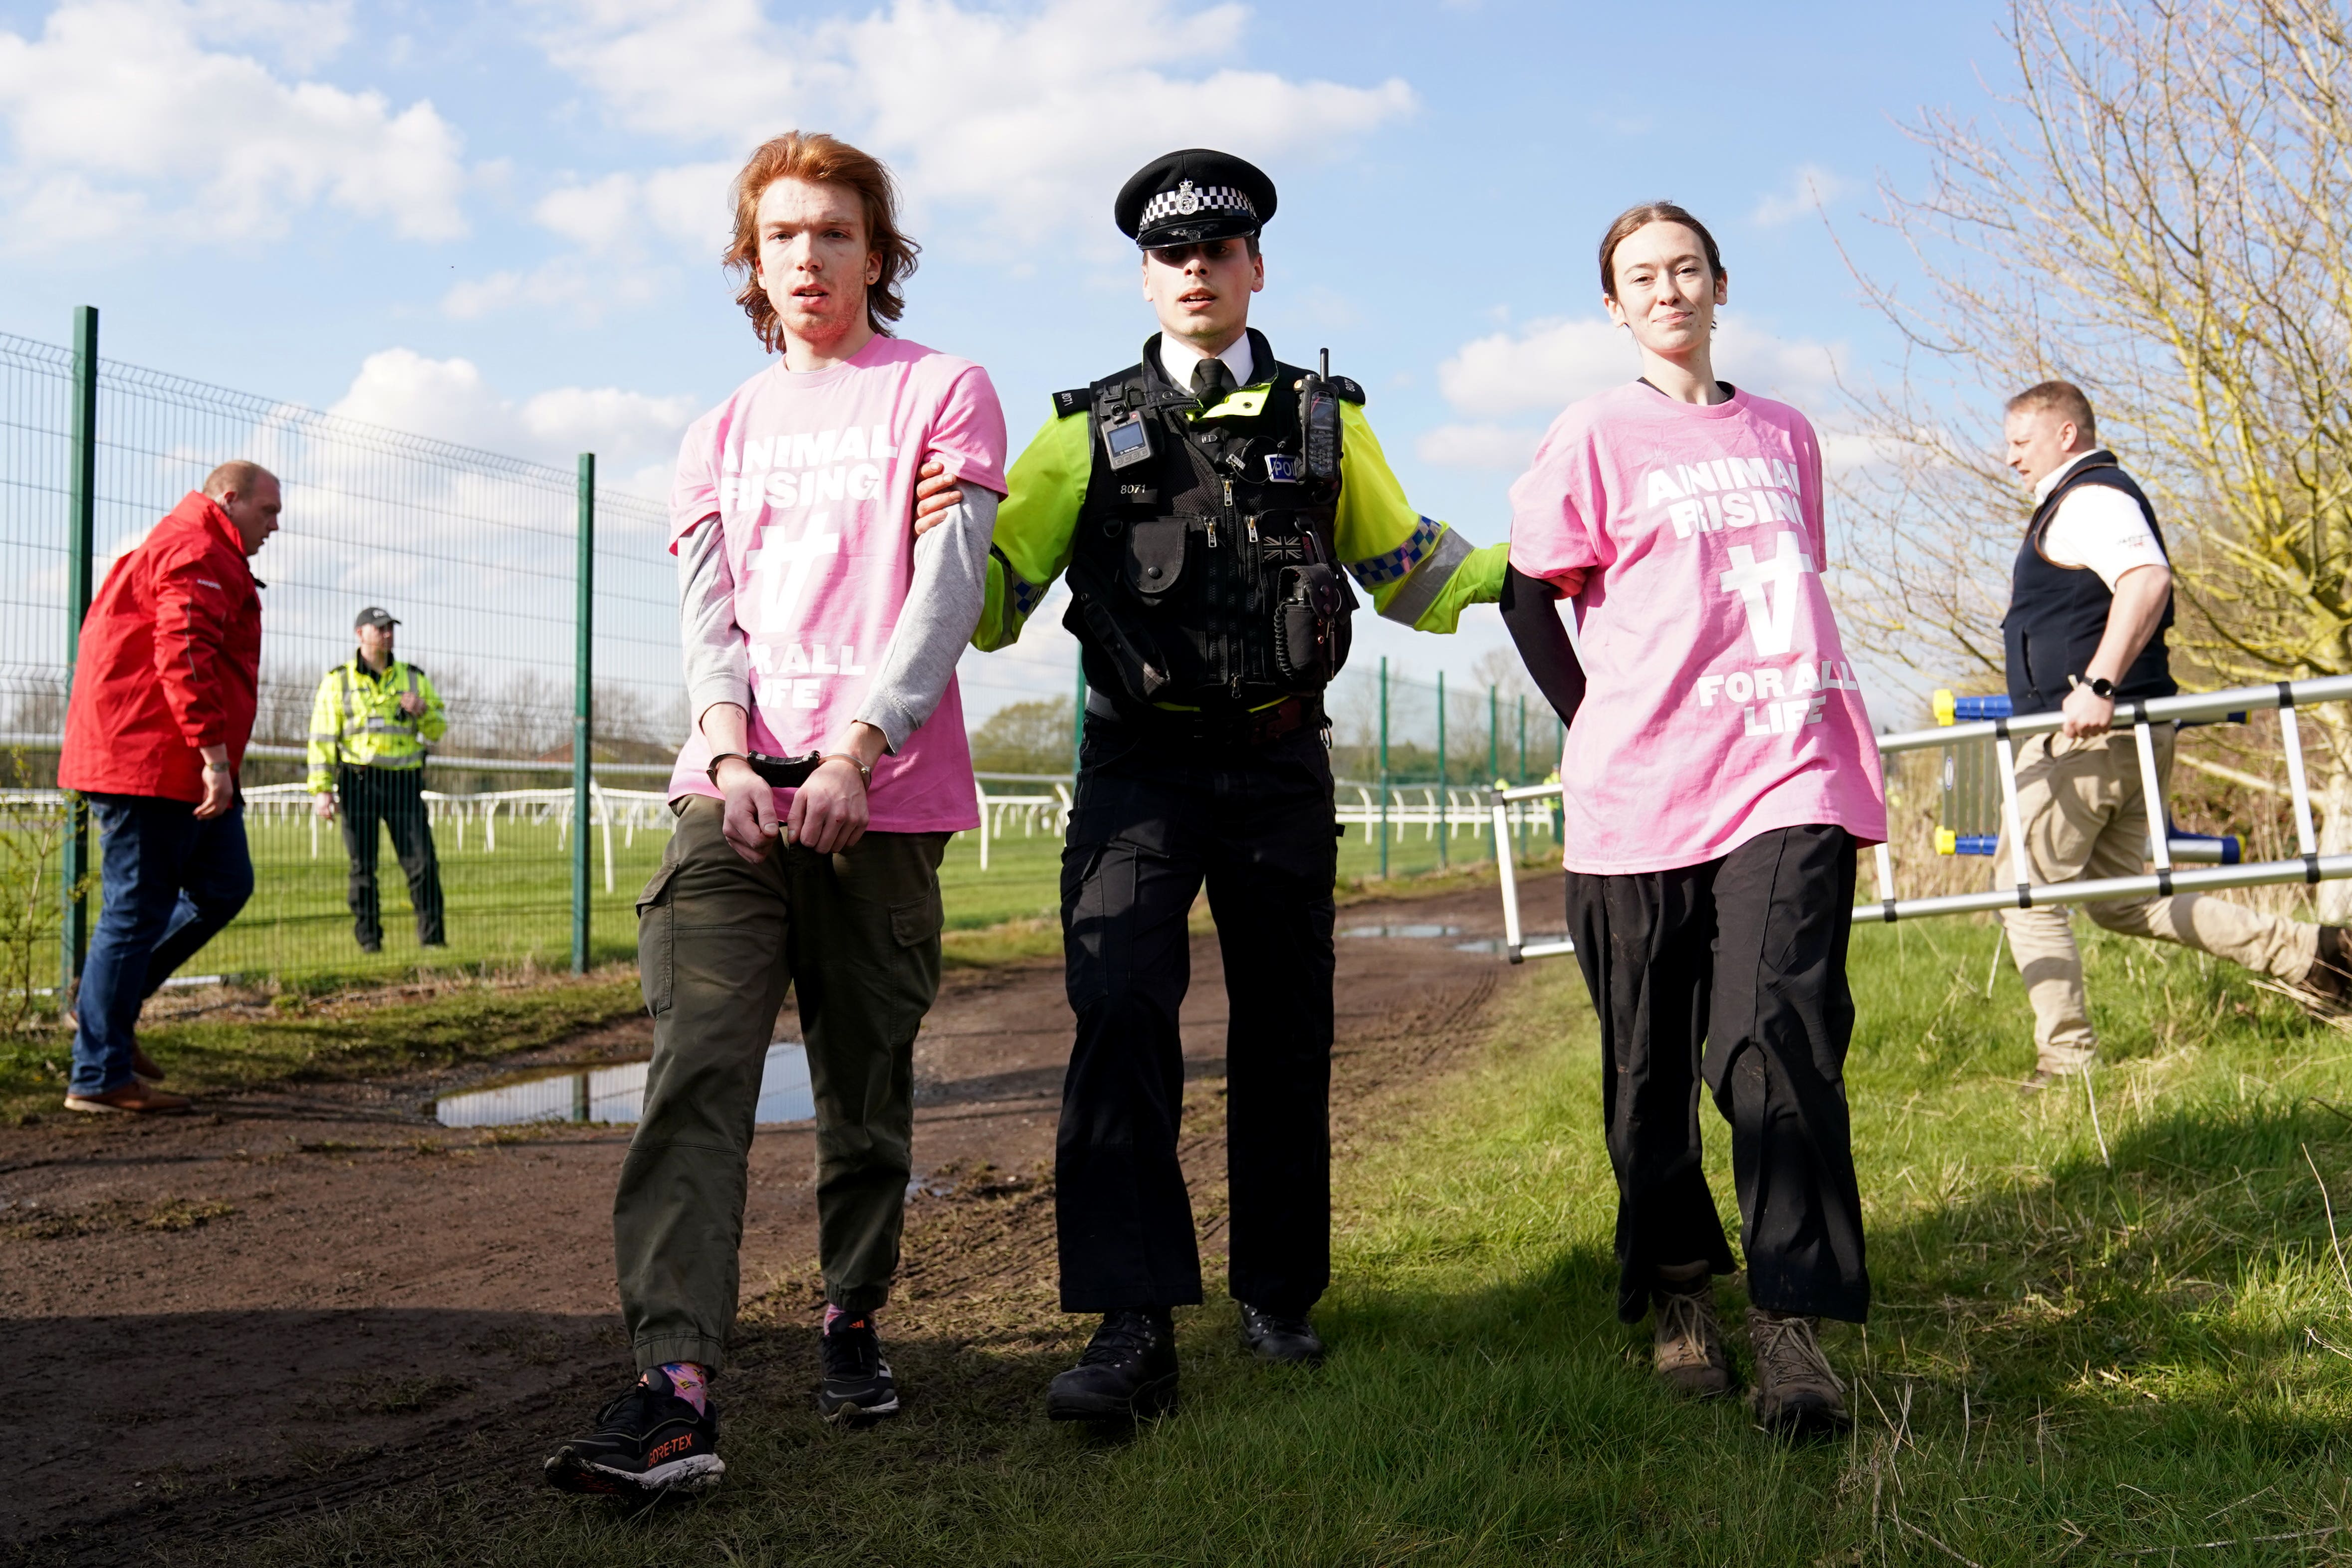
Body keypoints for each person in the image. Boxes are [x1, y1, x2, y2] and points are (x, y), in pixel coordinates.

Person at [923, 148, 1505, 1422]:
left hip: (1281, 766)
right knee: (1120, 1011)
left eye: (1217, 251)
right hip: (1140, 770)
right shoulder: (1079, 431)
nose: (1196, 271)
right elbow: (993, 600)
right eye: (1171, 255)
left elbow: (1401, 565)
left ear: (1254, 267)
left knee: (1286, 1031)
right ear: (1146, 274)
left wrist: (1527, 567)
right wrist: (931, 532)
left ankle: (1278, 1296)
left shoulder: (1326, 421)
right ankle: (1132, 1323)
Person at [542, 131, 1006, 1498]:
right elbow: (710, 619)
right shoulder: (715, 435)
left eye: (836, 233)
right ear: (749, 262)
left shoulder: (942, 393)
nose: (808, 257)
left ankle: (850, 1305)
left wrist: (859, 750)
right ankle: (673, 1381)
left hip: (885, 792)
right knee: (696, 1066)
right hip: (730, 793)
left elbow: (947, 586)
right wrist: (735, 757)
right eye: (783, 235)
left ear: (880, 253)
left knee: (866, 1080)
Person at [1501, 202, 1885, 1436]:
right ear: (1613, 308)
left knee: (1771, 1039)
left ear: (1719, 285)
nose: (1666, 290)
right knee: (1645, 1073)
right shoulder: (1590, 435)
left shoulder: (1786, 434)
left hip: (1788, 767)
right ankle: (1677, 1287)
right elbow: (1525, 600)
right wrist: (1595, 716)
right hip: (1639, 797)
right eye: (1638, 277)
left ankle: (1792, 1323)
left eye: (1684, 269)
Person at [1994, 381, 2352, 1084]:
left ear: (2065, 434)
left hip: (2092, 733)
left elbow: (2146, 579)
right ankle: (2317, 955)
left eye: (2019, 442)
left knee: (2021, 888)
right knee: (2128, 899)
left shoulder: (2090, 497)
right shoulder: (2079, 499)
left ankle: (2065, 1061)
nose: (2010, 459)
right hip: (2125, 731)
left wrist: (2098, 684)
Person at [57, 461, 279, 1115]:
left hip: (176, 760)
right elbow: (182, 652)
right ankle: (99, 1073)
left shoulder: (190, 546)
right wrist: (214, 755)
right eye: (267, 511)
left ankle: (104, 1009)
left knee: (223, 886)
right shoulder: (196, 550)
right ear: (229, 500)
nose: (274, 525)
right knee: (135, 911)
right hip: (154, 761)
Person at [305, 606, 448, 952]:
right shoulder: (337, 681)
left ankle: (433, 941)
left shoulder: (414, 678)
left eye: (391, 628)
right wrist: (322, 790)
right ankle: (370, 942)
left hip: (403, 783)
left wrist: (423, 710)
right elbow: (323, 738)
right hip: (359, 782)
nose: (388, 633)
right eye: (380, 628)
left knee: (423, 864)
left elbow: (439, 729)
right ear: (360, 634)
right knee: (363, 868)